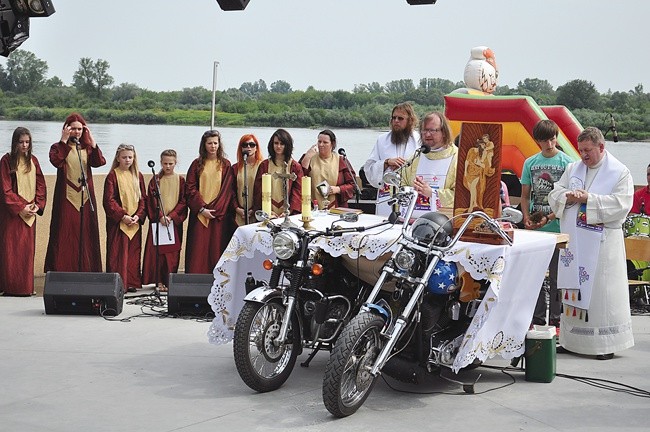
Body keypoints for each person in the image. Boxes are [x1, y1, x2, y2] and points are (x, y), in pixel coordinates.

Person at [548, 126, 634, 360]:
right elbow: (554, 194)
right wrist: (567, 196)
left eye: (588, 150)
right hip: (575, 244)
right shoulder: (572, 169)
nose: (583, 155)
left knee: (601, 295)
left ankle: (603, 344)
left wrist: (589, 199)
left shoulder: (619, 172)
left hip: (603, 246)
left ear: (601, 147)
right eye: (580, 150)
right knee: (573, 289)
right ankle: (571, 340)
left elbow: (622, 204)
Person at [520, 119, 573, 329]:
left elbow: (567, 197)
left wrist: (550, 216)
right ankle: (538, 316)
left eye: (552, 139)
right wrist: (525, 217)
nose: (550, 144)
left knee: (558, 278)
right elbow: (525, 195)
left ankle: (557, 318)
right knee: (536, 274)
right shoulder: (530, 163)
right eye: (545, 141)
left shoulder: (567, 162)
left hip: (559, 227)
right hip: (536, 226)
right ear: (538, 141)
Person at [45, 113, 106, 273]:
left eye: (79, 129)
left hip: (85, 198)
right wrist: (63, 141)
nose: (77, 132)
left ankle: (87, 271)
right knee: (64, 234)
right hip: (66, 197)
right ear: (66, 129)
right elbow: (56, 161)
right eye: (73, 128)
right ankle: (62, 271)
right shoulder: (58, 147)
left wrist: (93, 142)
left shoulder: (86, 149)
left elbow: (99, 162)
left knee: (85, 235)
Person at [0, 127, 47, 296]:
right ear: (15, 143)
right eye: (21, 142)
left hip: (30, 213)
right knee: (11, 250)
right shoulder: (6, 161)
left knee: (26, 252)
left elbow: (41, 185)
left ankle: (25, 288)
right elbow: (5, 189)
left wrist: (37, 205)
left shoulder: (33, 161)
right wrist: (21, 207)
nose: (25, 145)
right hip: (12, 214)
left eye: (27, 142)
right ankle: (11, 287)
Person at [185, 130, 235, 274]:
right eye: (209, 143)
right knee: (198, 249)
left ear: (219, 145)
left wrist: (215, 210)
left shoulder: (225, 164)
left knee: (216, 247)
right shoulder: (196, 164)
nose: (213, 146)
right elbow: (190, 188)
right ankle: (195, 279)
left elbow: (227, 190)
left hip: (218, 215)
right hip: (200, 214)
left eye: (215, 143)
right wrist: (201, 209)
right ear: (204, 145)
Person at [103, 144, 147, 292]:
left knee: (133, 255)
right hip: (119, 223)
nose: (127, 160)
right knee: (118, 254)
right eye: (124, 157)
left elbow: (143, 200)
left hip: (134, 222)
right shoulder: (112, 176)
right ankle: (118, 283)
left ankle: (131, 282)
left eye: (130, 157)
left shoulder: (138, 176)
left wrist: (138, 216)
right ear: (118, 158)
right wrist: (123, 216)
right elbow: (109, 200)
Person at [362, 103, 419, 215]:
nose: (396, 121)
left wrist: (405, 167)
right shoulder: (382, 140)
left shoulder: (420, 141)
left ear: (410, 120)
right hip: (386, 197)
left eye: (400, 118)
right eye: (394, 118)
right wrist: (386, 163)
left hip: (410, 197)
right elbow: (368, 168)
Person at [142, 149, 188, 291]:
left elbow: (183, 201)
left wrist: (171, 216)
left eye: (171, 163)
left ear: (175, 163)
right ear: (161, 163)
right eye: (165, 163)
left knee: (172, 254)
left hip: (173, 222)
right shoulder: (155, 180)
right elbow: (151, 200)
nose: (167, 167)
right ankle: (159, 281)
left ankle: (169, 281)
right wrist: (161, 216)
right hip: (159, 221)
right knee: (158, 254)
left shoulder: (180, 180)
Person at [400, 112, 458, 217]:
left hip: (445, 223)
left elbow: (461, 196)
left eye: (432, 130)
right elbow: (401, 184)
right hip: (412, 221)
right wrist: (409, 190)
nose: (427, 134)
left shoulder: (457, 159)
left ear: (444, 132)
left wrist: (433, 193)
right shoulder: (415, 158)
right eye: (425, 130)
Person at [299, 129, 356, 209]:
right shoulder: (309, 157)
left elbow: (353, 186)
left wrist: (338, 189)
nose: (321, 145)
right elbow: (299, 179)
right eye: (319, 142)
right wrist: (307, 158)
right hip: (312, 206)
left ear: (332, 144)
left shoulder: (341, 160)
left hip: (336, 207)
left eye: (325, 142)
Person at [252, 129, 303, 217]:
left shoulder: (295, 167)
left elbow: (298, 191)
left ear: (287, 145)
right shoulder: (264, 165)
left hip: (288, 213)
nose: (278, 146)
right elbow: (258, 191)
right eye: (276, 143)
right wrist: (267, 209)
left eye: (282, 144)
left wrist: (289, 211)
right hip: (268, 213)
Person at [231, 134, 263, 226]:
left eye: (252, 144)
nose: (248, 147)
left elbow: (263, 190)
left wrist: (254, 209)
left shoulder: (262, 166)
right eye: (245, 145)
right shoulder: (235, 168)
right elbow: (231, 190)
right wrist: (237, 208)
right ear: (241, 148)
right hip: (239, 213)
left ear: (256, 148)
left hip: (256, 212)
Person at [463, 136, 496, 211]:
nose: (484, 147)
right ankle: (475, 204)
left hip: (477, 173)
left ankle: (471, 207)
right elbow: (467, 161)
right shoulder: (471, 150)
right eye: (482, 145)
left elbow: (485, 165)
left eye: (484, 145)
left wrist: (479, 163)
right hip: (469, 172)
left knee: (473, 188)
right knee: (472, 189)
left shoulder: (484, 154)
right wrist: (465, 172)